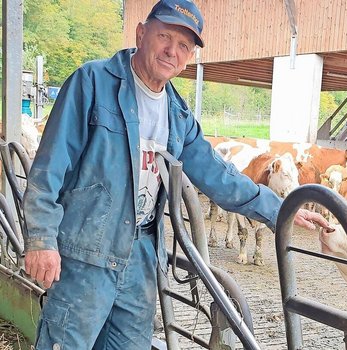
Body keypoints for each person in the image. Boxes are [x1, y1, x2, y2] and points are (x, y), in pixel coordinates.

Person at [22, 0, 331, 348]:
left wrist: (282, 209)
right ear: (142, 33)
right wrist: (41, 240)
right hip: (85, 254)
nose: (172, 51)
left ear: (190, 56)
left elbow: (219, 176)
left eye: (184, 45)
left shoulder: (177, 114)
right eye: (164, 36)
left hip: (140, 255)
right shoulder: (91, 83)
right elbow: (48, 169)